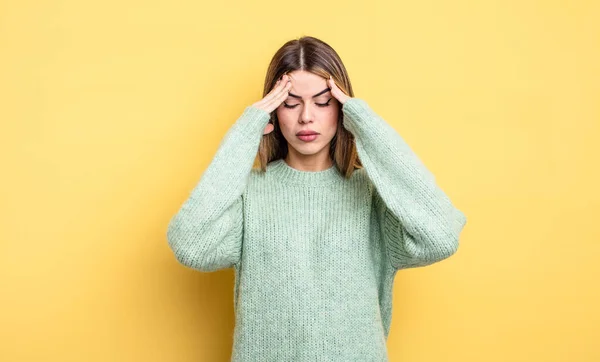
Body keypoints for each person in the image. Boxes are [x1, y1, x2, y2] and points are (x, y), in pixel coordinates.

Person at [166, 35, 467, 361]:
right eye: (290, 103)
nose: (306, 116)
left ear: (341, 108)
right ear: (273, 111)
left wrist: (365, 123)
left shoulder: (371, 195)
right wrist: (244, 133)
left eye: (323, 102)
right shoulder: (248, 194)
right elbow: (190, 244)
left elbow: (441, 237)